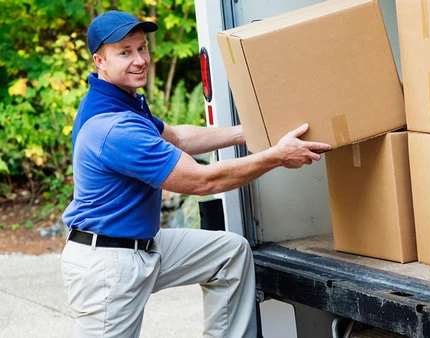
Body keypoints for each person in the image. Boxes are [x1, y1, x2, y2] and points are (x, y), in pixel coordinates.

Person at [60, 10, 331, 338]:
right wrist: (275, 157)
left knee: (229, 253)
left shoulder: (121, 103)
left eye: (142, 48)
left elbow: (178, 137)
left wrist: (249, 132)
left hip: (144, 246)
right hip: (108, 264)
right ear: (100, 61)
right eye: (125, 52)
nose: (139, 59)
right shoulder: (115, 128)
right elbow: (204, 181)